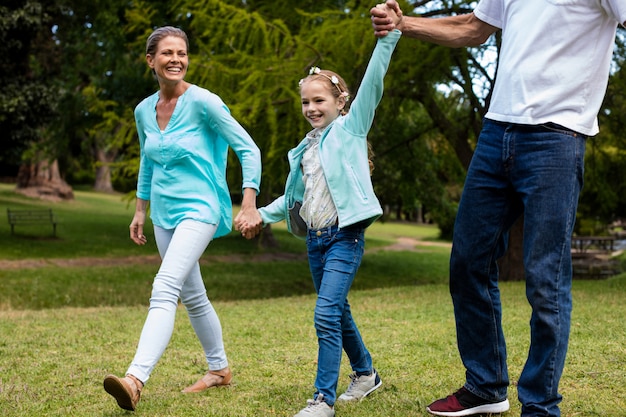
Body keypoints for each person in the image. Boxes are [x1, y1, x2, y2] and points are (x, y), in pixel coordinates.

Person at [371, 1, 626, 416]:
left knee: (546, 281)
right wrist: (404, 24)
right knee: (468, 262)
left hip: (557, 138)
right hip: (496, 133)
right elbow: (473, 27)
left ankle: (540, 406)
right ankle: (486, 386)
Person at [236, 9, 400, 417]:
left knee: (325, 313)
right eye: (306, 101)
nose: (311, 107)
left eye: (319, 100)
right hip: (315, 241)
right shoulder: (305, 149)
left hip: (346, 237)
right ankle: (366, 375)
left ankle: (323, 399)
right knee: (337, 310)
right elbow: (295, 201)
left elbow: (374, 82)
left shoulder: (350, 129)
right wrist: (257, 213)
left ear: (340, 101)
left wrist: (388, 38)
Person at [102, 26, 262, 412]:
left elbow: (248, 148)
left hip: (202, 208)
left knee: (166, 286)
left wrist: (249, 201)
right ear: (151, 60)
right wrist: (141, 210)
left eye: (182, 52)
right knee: (193, 295)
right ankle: (219, 369)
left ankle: (135, 379)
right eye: (167, 53)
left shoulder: (205, 102)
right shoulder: (144, 109)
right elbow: (148, 161)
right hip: (165, 213)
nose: (176, 59)